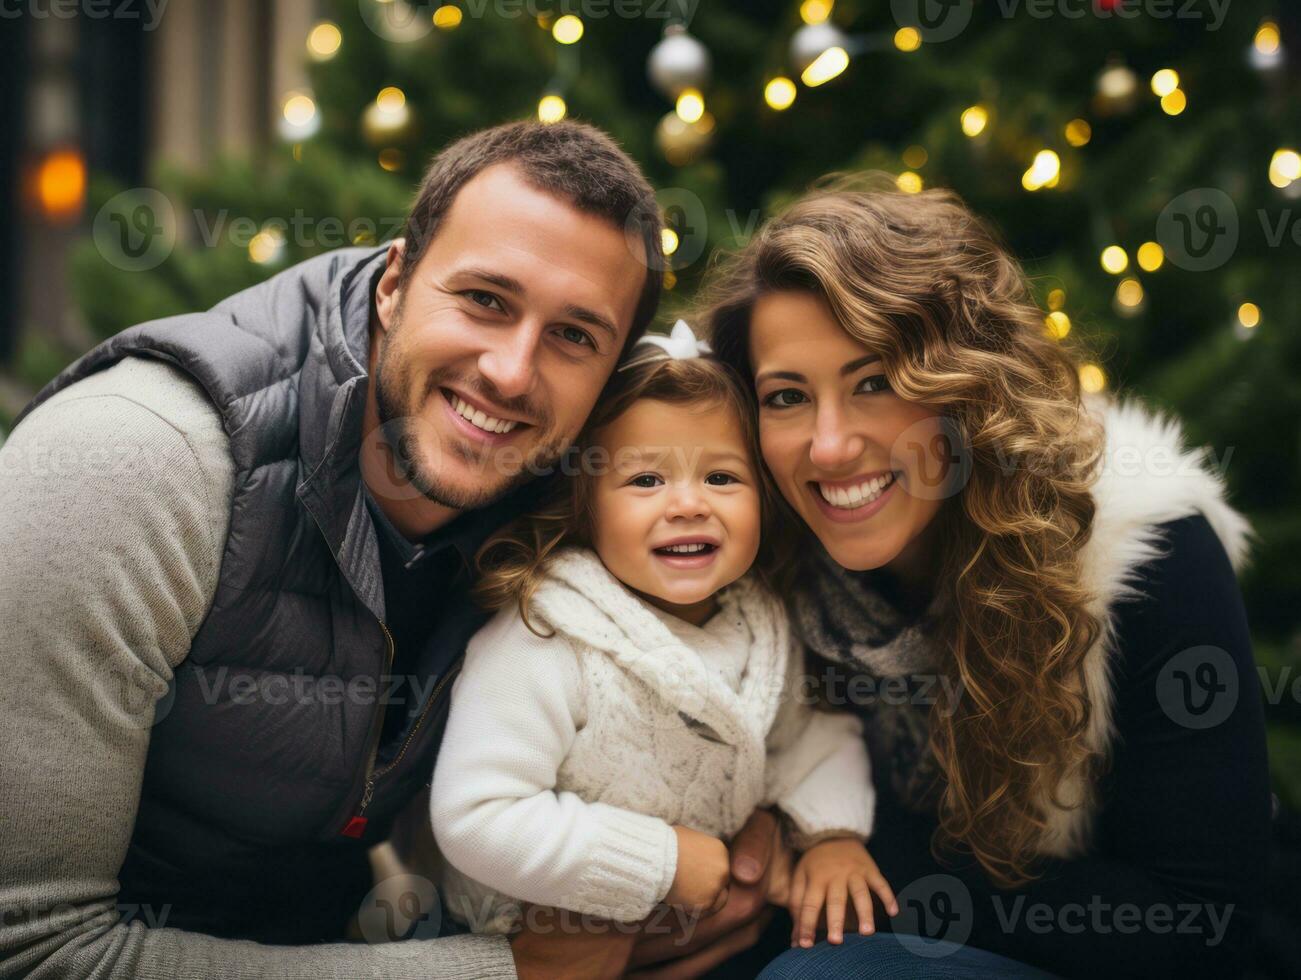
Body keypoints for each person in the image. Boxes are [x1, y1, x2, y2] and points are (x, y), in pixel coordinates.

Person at [0, 120, 779, 980]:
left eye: (574, 336)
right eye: (484, 299)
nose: (512, 372)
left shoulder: (575, 481)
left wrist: (762, 830)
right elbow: (30, 950)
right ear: (395, 282)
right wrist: (509, 971)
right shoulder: (136, 463)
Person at [703, 178, 1272, 979]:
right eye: (787, 397)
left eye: (873, 382)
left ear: (964, 386)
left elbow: (1199, 920)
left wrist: (843, 854)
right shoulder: (752, 568)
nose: (827, 448)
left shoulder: (1143, 550)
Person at [426, 329, 895, 953]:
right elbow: (476, 816)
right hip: (531, 939)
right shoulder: (545, 634)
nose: (688, 505)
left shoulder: (760, 626)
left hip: (703, 930)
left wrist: (831, 835)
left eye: (723, 478)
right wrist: (661, 862)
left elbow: (812, 736)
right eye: (646, 481)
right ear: (585, 505)